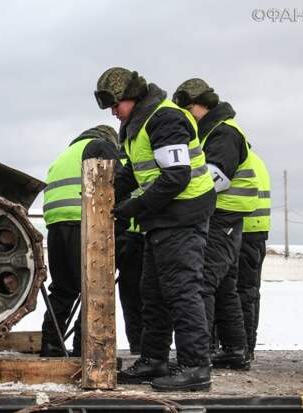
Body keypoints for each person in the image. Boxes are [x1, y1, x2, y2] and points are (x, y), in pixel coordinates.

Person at [95, 67, 215, 391]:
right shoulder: (136, 127)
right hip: (163, 219)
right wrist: (107, 199)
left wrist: (135, 206)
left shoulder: (165, 119)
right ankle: (154, 359)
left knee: (181, 290)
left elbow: (176, 176)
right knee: (153, 293)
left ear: (130, 97)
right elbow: (134, 173)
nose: (112, 112)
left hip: (183, 215)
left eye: (115, 104)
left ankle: (195, 367)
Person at [173, 79, 259, 369]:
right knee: (224, 286)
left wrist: (177, 194)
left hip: (224, 216)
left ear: (204, 104)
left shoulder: (223, 133)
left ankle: (203, 351)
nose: (187, 115)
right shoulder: (212, 131)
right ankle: (235, 350)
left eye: (189, 109)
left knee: (204, 281)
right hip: (223, 217)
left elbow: (216, 178)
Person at [40, 125, 119, 357]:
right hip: (85, 223)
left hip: (55, 225)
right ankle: (85, 348)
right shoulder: (100, 146)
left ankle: (51, 345)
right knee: (93, 288)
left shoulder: (64, 155)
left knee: (62, 289)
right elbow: (117, 181)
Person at [235, 150, 270, 361]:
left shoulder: (238, 157)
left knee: (240, 293)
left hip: (243, 230)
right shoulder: (256, 159)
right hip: (255, 232)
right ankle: (247, 346)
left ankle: (243, 346)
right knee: (249, 292)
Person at [116, 153, 145, 355]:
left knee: (132, 297)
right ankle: (143, 347)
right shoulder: (133, 163)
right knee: (143, 297)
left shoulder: (129, 162)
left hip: (134, 236)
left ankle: (140, 345)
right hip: (139, 235)